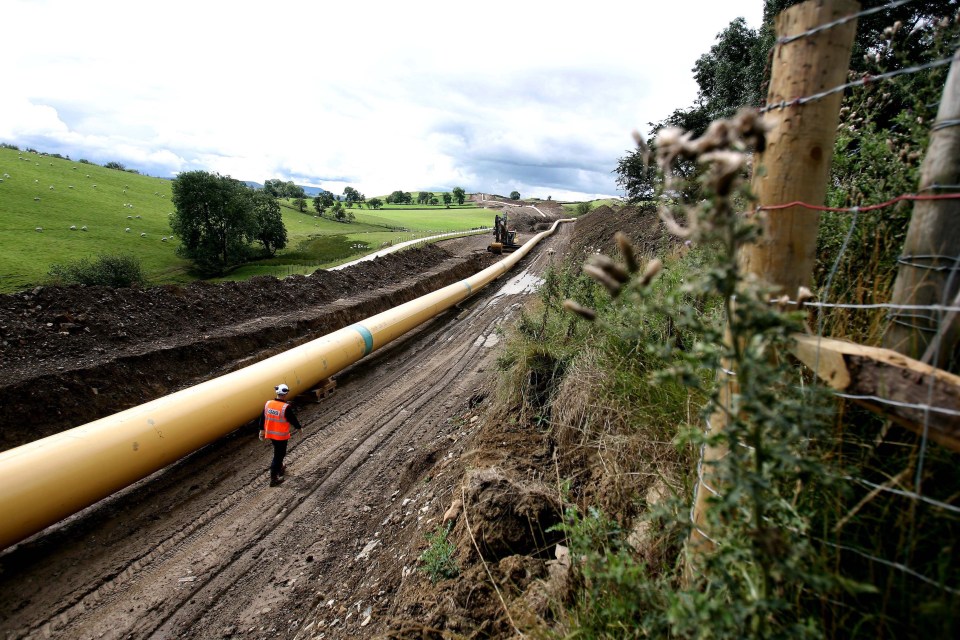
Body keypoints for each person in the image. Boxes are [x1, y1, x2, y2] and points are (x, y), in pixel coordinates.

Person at [258, 383, 303, 486]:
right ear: (285, 394)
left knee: (278, 452)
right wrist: (299, 428)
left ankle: (280, 468)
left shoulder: (268, 404)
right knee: (279, 455)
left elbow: (262, 418)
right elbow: (293, 419)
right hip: (281, 437)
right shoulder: (285, 407)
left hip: (271, 435)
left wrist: (262, 431)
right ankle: (274, 479)